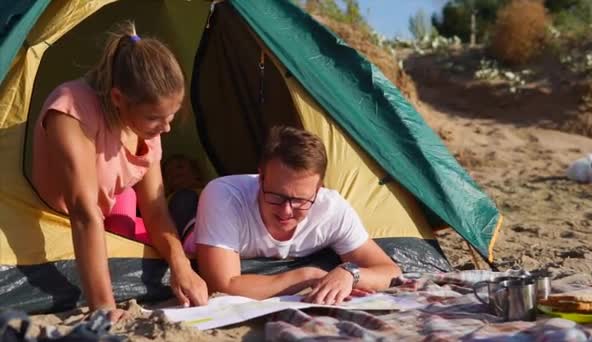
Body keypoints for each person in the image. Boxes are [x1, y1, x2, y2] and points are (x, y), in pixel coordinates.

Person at [31, 22, 207, 322]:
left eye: (172, 115)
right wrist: (103, 306)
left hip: (114, 199)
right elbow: (84, 212)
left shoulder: (146, 122)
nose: (165, 128)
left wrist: (181, 265)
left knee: (158, 240)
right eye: (155, 118)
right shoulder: (70, 110)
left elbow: (154, 207)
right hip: (63, 214)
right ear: (117, 99)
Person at [195, 126, 401, 305]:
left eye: (300, 200)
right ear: (261, 178)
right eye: (276, 196)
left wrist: (350, 274)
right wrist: (308, 275)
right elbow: (222, 285)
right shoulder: (225, 195)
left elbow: (390, 271)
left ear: (319, 189)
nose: (286, 211)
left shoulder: (331, 209)